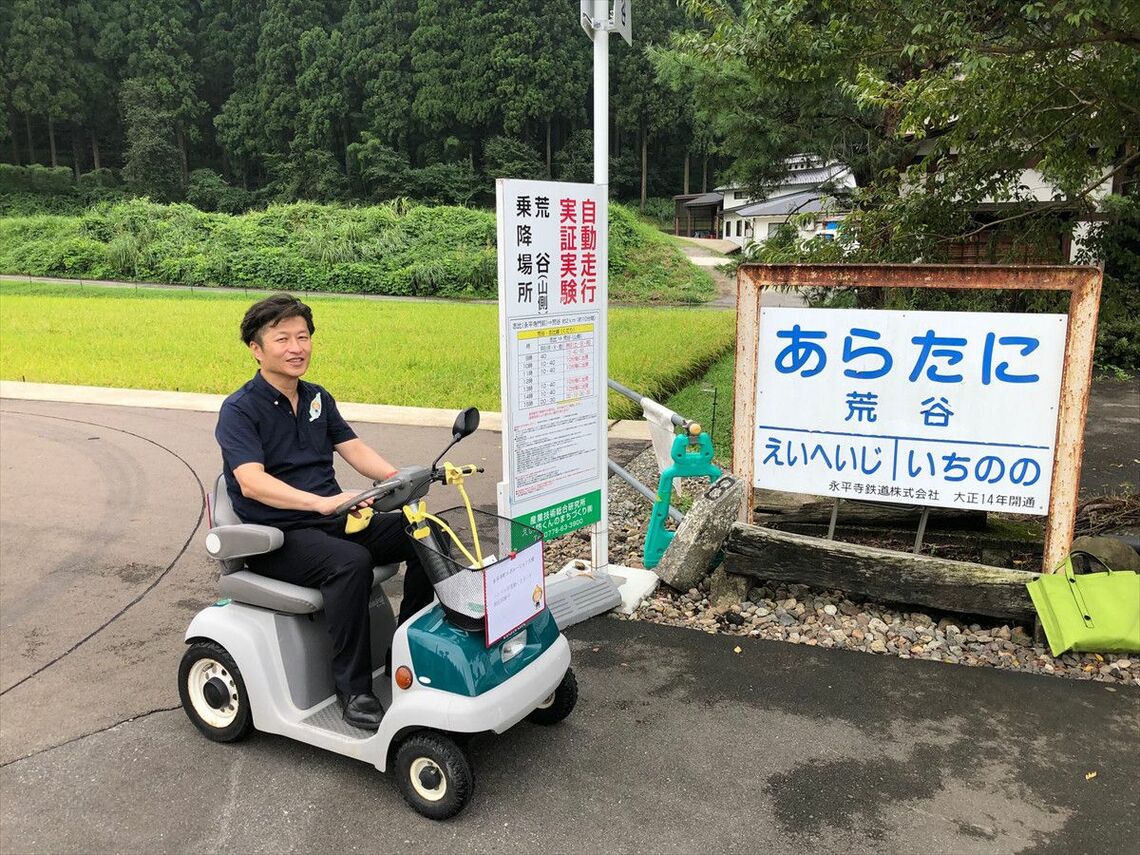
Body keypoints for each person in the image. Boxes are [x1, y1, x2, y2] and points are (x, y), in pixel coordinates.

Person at [215, 293, 433, 731]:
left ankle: (405, 651)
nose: (297, 348)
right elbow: (252, 481)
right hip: (277, 536)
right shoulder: (239, 410)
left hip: (333, 520)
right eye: (282, 339)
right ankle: (353, 691)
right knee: (349, 563)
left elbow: (353, 449)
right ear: (256, 349)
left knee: (428, 532)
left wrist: (398, 480)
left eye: (303, 337)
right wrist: (320, 501)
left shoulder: (316, 398)